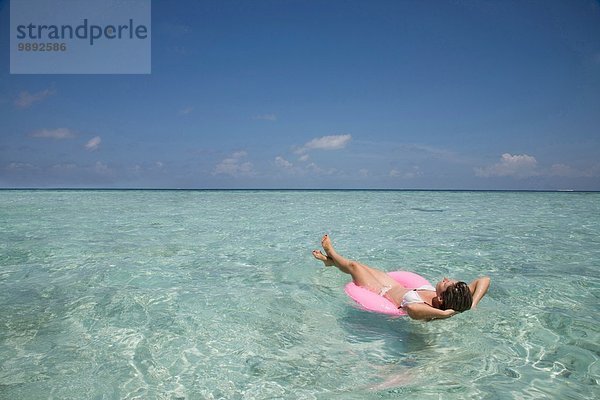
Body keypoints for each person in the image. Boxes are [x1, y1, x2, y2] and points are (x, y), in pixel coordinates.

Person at [312, 234, 490, 320]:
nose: (445, 278)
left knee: (354, 266)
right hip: (392, 284)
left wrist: (444, 314)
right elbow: (484, 280)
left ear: (442, 298)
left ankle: (332, 253)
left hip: (380, 292)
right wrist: (472, 304)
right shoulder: (439, 298)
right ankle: (331, 262)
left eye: (446, 283)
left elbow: (412, 311)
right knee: (361, 266)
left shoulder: (425, 308)